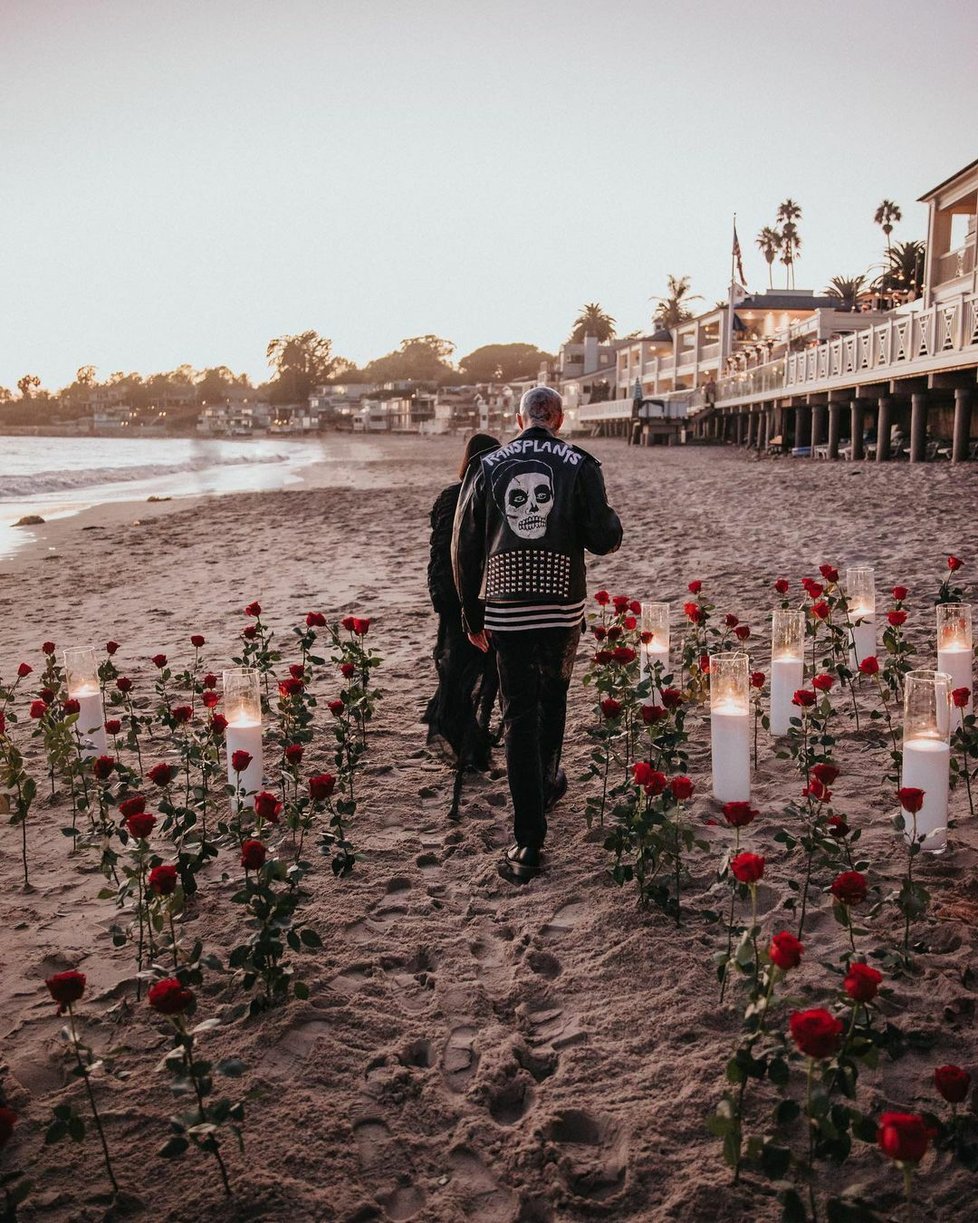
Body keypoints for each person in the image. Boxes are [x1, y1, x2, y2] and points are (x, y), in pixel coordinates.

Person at [452, 386, 623, 884]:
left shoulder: (488, 466)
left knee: (518, 716)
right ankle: (546, 781)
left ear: (518, 417)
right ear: (560, 419)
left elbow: (465, 547)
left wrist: (471, 614)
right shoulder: (580, 462)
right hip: (562, 611)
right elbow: (603, 538)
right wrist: (605, 514)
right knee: (556, 699)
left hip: (507, 612)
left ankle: (528, 841)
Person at [423, 433, 501, 772]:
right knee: (479, 671)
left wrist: (443, 599)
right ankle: (472, 747)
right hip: (481, 595)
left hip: (451, 596)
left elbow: (439, 552)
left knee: (461, 672)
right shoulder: (497, 495)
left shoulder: (448, 497)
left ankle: (470, 745)